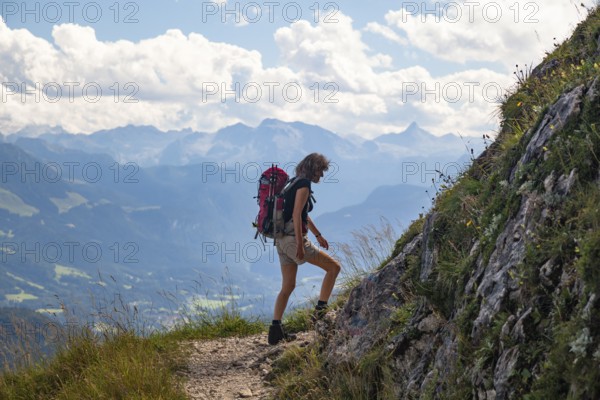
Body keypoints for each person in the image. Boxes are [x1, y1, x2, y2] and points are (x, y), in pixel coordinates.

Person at [268, 153, 342, 345]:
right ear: (313, 168)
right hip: (294, 241)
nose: (322, 175)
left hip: (281, 240)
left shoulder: (292, 183)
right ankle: (320, 311)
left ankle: (275, 331)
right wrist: (301, 246)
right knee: (334, 268)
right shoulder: (304, 185)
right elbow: (295, 215)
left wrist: (318, 235)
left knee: (287, 286)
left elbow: (303, 215)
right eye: (321, 171)